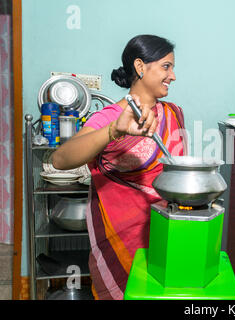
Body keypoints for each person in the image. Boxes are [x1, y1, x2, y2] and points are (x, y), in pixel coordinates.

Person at [52, 34, 187, 300]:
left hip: (166, 236)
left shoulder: (173, 113)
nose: (173, 76)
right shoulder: (110, 117)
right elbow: (60, 159)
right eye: (166, 66)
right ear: (140, 66)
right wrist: (114, 131)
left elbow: (176, 174)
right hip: (120, 241)